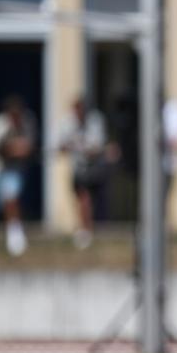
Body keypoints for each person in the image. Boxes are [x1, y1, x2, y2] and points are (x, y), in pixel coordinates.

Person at [0, 94, 36, 256]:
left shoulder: (28, 122)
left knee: (10, 197)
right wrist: (14, 149)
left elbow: (30, 146)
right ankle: (2, 230)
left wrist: (22, 150)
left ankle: (15, 235)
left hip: (14, 169)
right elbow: (0, 149)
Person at [59, 96, 108, 249]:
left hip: (94, 168)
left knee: (88, 199)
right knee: (82, 198)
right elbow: (60, 145)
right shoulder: (67, 122)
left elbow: (97, 147)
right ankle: (84, 229)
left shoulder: (96, 121)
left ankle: (86, 229)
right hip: (78, 167)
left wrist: (82, 147)